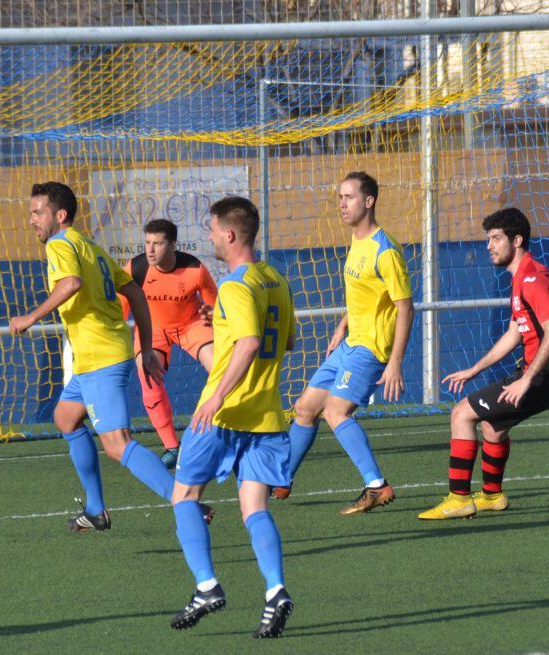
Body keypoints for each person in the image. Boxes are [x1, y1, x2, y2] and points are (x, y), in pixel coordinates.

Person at [9, 182, 206, 532]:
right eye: (30, 213)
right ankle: (96, 509)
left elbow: (70, 284)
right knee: (66, 418)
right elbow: (135, 292)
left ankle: (184, 499)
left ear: (60, 215)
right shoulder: (91, 247)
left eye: (37, 212)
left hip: (100, 356)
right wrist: (145, 348)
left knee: (117, 445)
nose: (31, 220)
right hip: (95, 357)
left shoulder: (60, 244)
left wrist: (30, 317)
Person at [169, 196, 297, 639]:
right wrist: (221, 320)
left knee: (184, 496)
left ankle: (206, 586)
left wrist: (216, 396)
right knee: (254, 508)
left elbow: (247, 342)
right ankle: (275, 591)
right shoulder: (275, 280)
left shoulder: (237, 284)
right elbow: (288, 341)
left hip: (223, 415)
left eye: (211, 229)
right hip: (265, 415)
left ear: (229, 233)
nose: (208, 237)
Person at [418, 207, 549, 520]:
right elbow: (515, 333)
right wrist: (474, 370)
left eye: (496, 238)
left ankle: (459, 498)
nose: (489, 245)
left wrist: (526, 380)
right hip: (543, 373)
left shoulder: (533, 278)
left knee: (461, 414)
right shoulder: (520, 277)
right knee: (492, 425)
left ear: (517, 240)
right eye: (488, 239)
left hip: (546, 376)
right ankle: (492, 495)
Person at [277, 171, 413, 515]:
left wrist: (395, 362)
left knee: (336, 412)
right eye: (339, 196)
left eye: (349, 197)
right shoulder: (356, 241)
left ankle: (376, 486)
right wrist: (341, 325)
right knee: (305, 408)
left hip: (370, 349)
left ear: (369, 201)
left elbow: (405, 308)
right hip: (350, 342)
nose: (341, 203)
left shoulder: (385, 251)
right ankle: (281, 479)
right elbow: (364, 297)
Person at [119, 219, 218, 470]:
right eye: (147, 243)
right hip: (153, 329)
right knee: (147, 373)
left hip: (192, 324)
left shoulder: (195, 269)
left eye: (158, 243)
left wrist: (214, 315)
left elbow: (216, 307)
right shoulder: (136, 268)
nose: (150, 250)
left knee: (221, 368)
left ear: (173, 244)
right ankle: (172, 447)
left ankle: (217, 434)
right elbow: (119, 310)